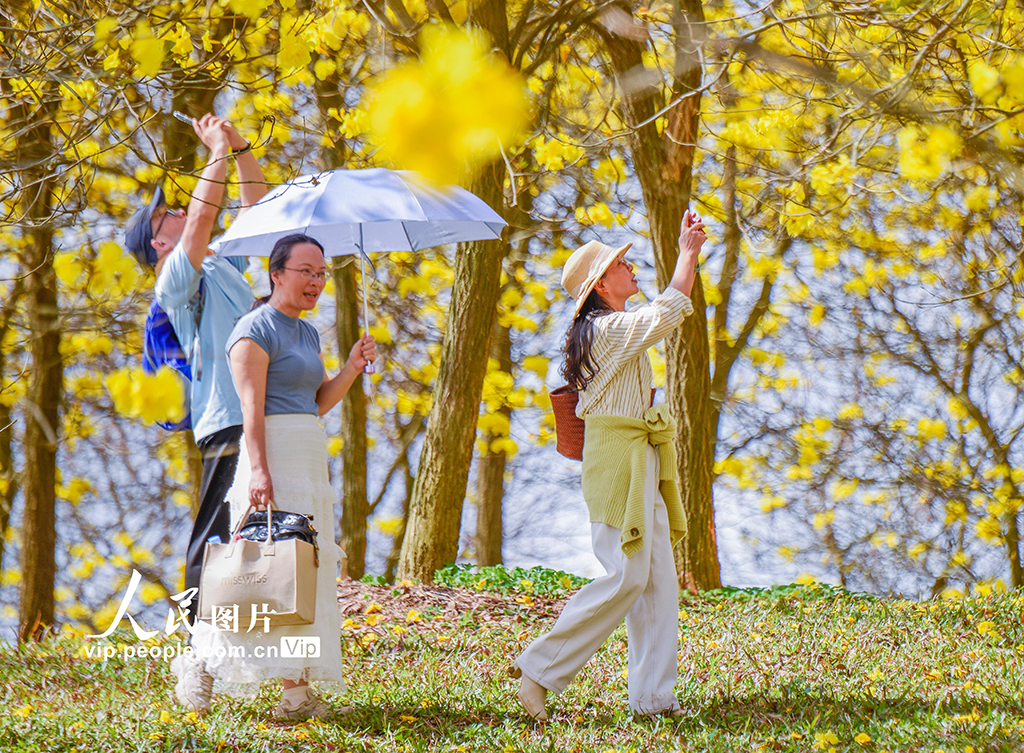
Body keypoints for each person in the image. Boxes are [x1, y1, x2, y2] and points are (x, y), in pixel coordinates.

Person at [513, 211, 707, 721]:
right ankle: (538, 671)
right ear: (602, 283)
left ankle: (653, 701)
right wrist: (687, 254)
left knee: (658, 582)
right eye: (623, 263)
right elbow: (667, 312)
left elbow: (660, 316)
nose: (632, 267)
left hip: (638, 454)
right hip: (618, 460)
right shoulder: (603, 330)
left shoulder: (609, 329)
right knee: (626, 576)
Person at [188, 234, 376, 720]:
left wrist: (352, 367)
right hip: (270, 458)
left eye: (321, 273)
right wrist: (260, 472)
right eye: (306, 271)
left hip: (308, 457)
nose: (316, 281)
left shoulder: (308, 333)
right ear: (277, 274)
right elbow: (251, 410)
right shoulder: (253, 330)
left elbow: (314, 403)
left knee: (300, 575)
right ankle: (201, 662)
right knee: (257, 571)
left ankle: (295, 697)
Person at [123, 113, 269, 712]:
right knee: (212, 540)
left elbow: (263, 222)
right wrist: (212, 148)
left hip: (265, 412)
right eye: (168, 215)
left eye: (174, 209)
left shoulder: (219, 266)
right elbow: (205, 216)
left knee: (269, 538)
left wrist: (240, 150)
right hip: (227, 421)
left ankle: (277, 667)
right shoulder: (174, 278)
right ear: (160, 242)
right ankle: (193, 658)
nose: (180, 211)